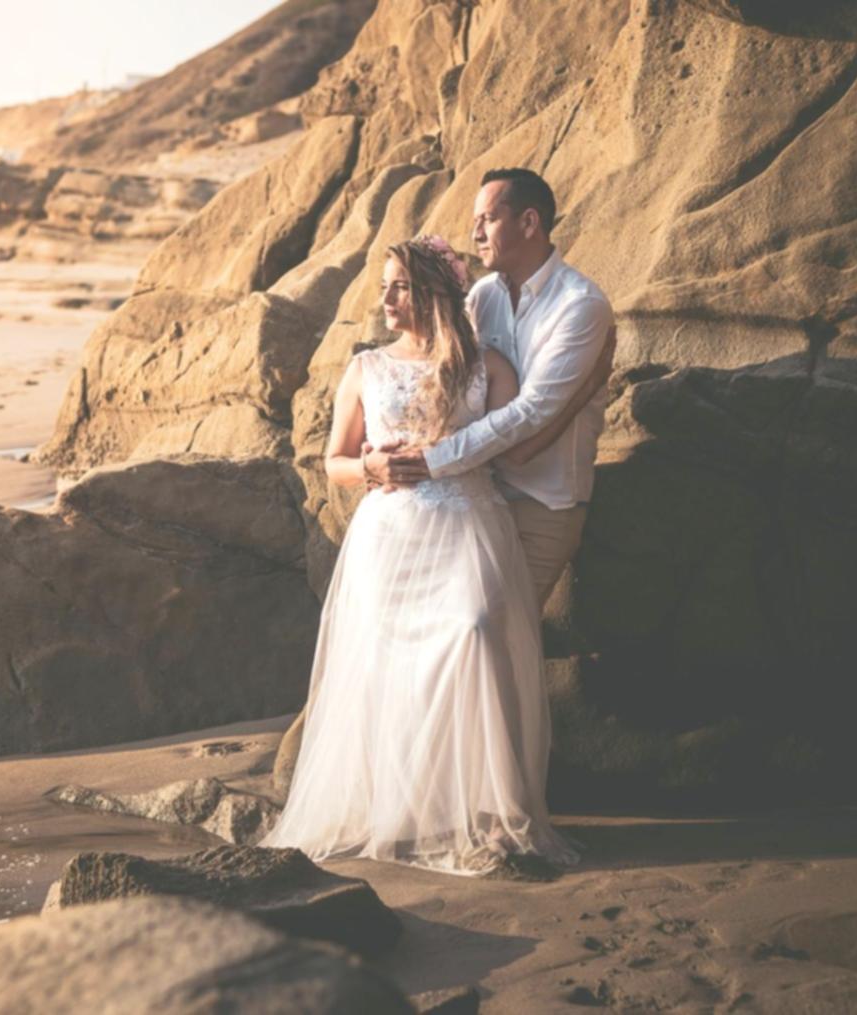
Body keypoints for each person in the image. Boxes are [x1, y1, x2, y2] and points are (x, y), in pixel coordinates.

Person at [259, 235, 584, 876]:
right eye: (384, 285)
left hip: (469, 523)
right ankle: (407, 811)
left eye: (400, 286)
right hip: (390, 533)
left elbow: (515, 441)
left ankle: (488, 811)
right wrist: (372, 464)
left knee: (473, 633)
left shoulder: (486, 366)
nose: (386, 297)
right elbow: (335, 462)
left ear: (436, 292)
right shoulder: (365, 368)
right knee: (387, 662)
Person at [373, 168, 615, 607]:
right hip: (475, 496)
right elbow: (446, 371)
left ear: (528, 222)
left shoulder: (580, 306)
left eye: (487, 219)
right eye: (474, 220)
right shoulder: (483, 296)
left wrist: (431, 461)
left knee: (493, 629)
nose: (475, 231)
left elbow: (531, 412)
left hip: (541, 501)